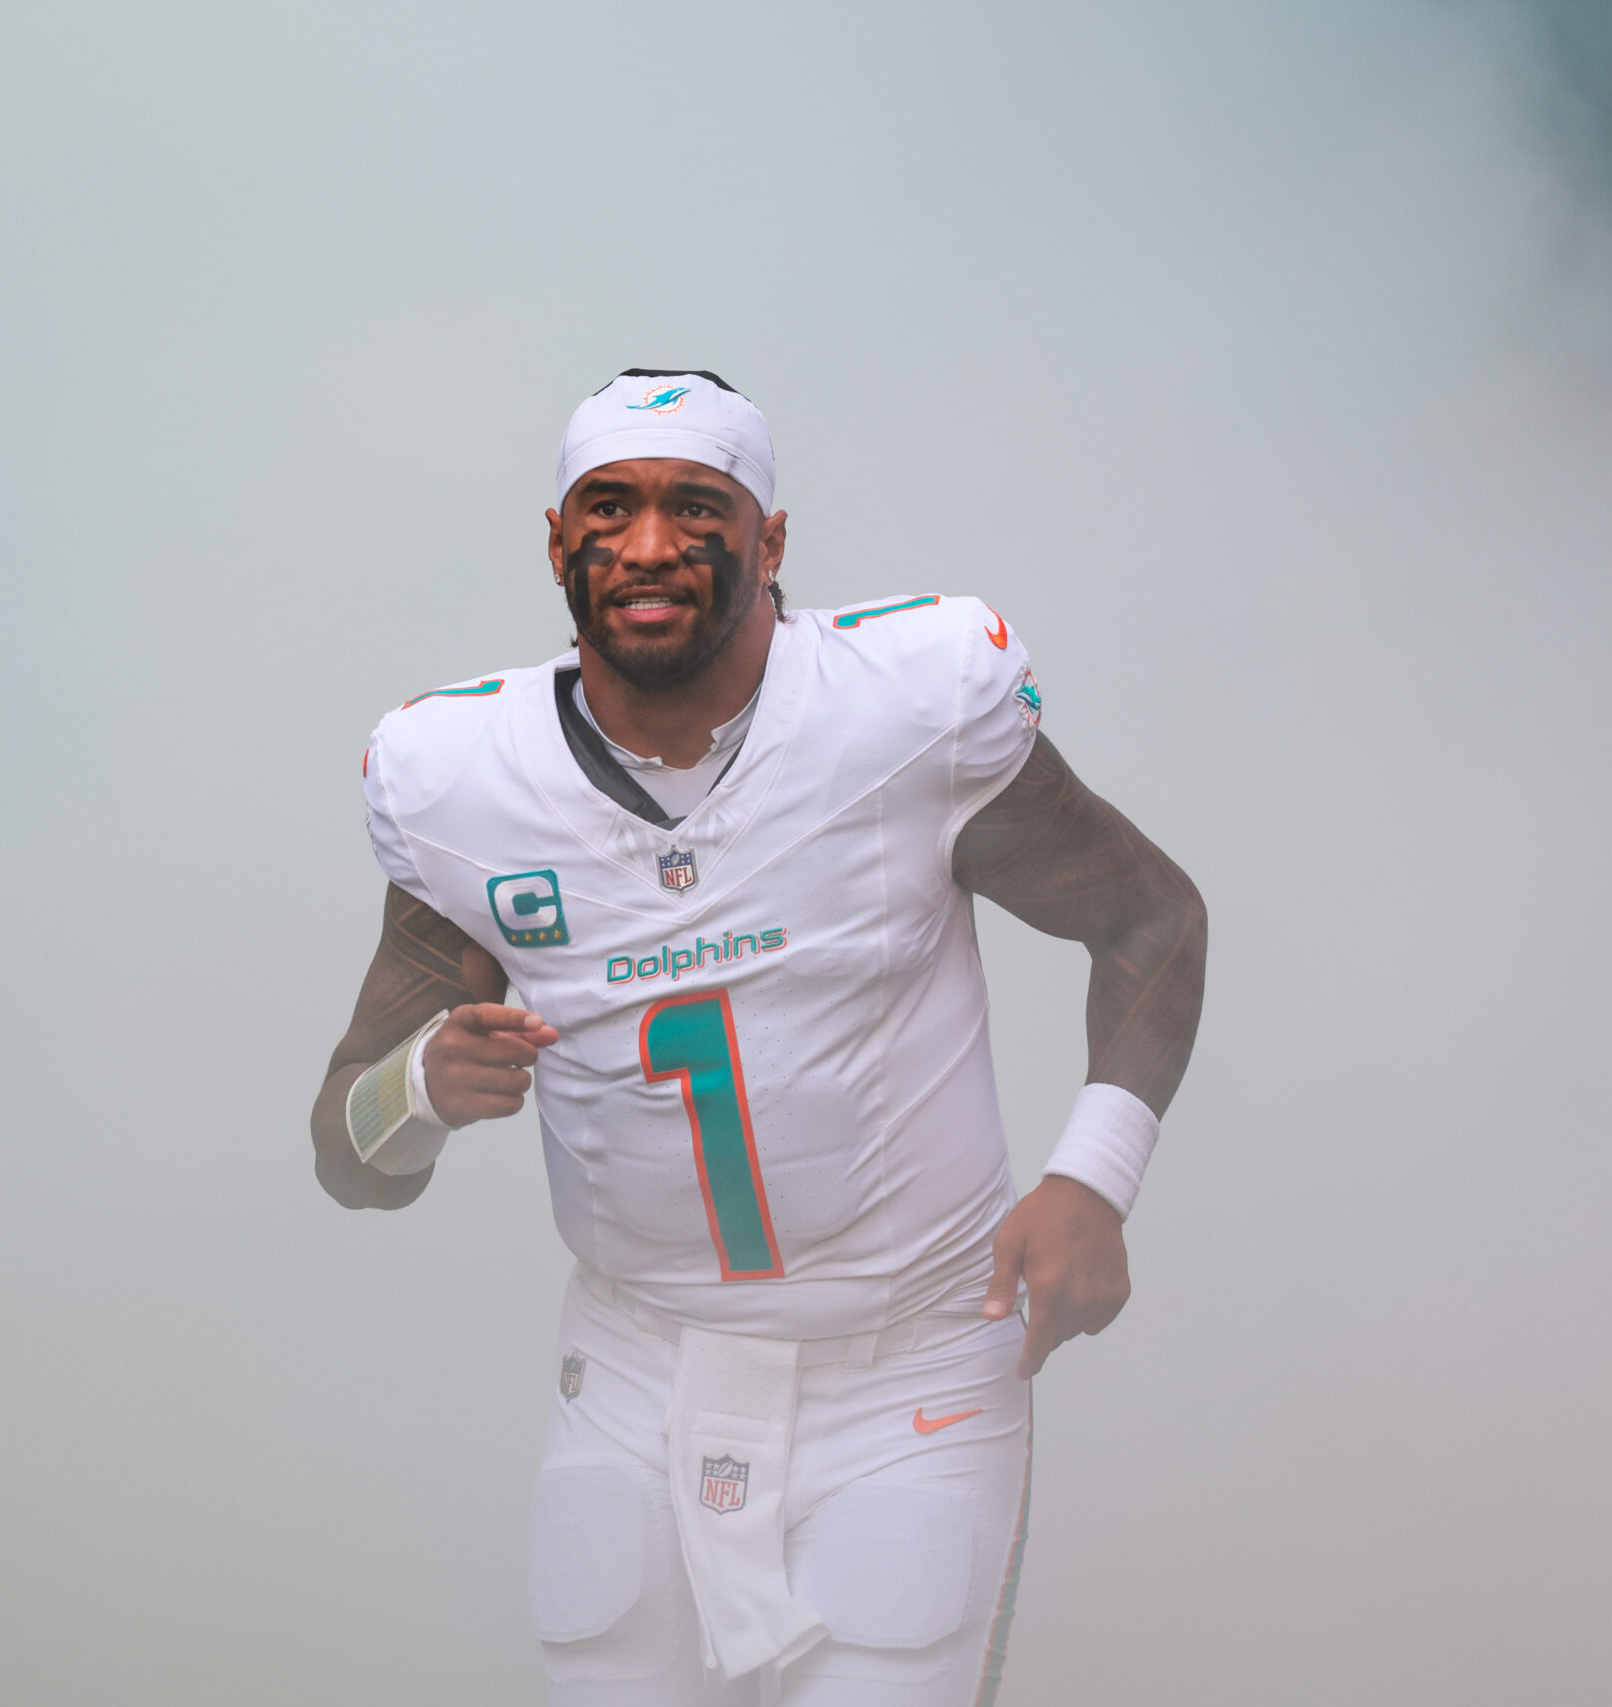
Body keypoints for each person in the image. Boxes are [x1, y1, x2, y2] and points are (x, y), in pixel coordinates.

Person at [309, 370, 1206, 1706]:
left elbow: (1149, 916)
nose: (651, 547)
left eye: (697, 508)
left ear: (772, 541)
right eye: (608, 509)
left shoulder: (907, 714)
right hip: (630, 1384)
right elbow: (346, 1147)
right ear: (557, 541)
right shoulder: (462, 787)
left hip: (908, 1373)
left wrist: (1095, 1174)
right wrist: (423, 1087)